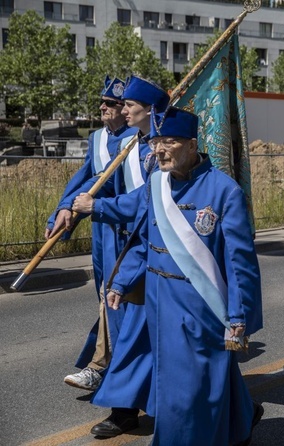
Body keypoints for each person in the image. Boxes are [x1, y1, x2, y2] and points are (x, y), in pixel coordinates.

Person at [105, 105, 264, 445]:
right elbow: (143, 240)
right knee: (197, 380)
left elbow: (240, 264)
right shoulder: (156, 184)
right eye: (155, 141)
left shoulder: (224, 191)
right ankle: (240, 424)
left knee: (192, 388)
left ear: (192, 145)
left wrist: (239, 314)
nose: (159, 149)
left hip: (202, 306)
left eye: (170, 142)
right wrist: (122, 281)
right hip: (160, 304)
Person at [71, 75, 170, 437]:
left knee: (163, 339)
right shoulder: (132, 144)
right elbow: (106, 183)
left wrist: (99, 207)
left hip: (155, 250)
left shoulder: (161, 147)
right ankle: (125, 411)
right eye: (122, 104)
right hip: (132, 249)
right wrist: (71, 206)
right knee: (129, 334)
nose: (122, 109)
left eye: (128, 105)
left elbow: (149, 203)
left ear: (150, 110)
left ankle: (233, 406)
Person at [46, 76, 134, 392]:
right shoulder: (96, 137)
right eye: (102, 101)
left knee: (114, 297)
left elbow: (109, 184)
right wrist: (62, 210)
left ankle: (102, 368)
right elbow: (84, 177)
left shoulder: (137, 139)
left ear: (126, 109)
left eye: (110, 103)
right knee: (105, 294)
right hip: (101, 231)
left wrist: (80, 203)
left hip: (125, 230)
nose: (102, 107)